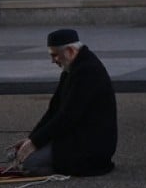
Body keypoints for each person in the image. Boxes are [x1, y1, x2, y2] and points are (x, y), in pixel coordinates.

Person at [9, 29, 117, 176]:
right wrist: (32, 139)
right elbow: (53, 110)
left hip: (90, 145)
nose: (53, 61)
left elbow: (67, 117)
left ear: (70, 51)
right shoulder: (72, 69)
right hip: (75, 135)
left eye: (55, 55)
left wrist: (35, 144)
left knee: (29, 163)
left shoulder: (88, 71)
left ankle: (56, 169)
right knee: (18, 155)